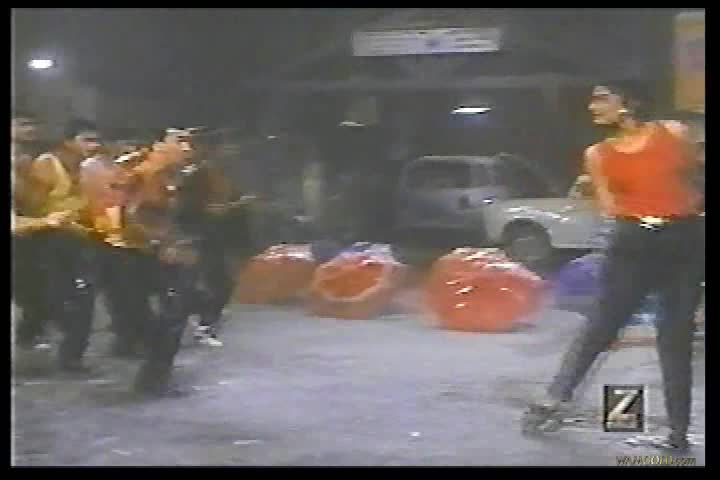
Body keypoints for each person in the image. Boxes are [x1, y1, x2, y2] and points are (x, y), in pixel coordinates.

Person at [522, 85, 705, 452]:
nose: (593, 106)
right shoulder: (597, 154)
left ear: (629, 102)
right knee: (602, 326)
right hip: (633, 243)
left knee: (675, 338)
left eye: (601, 98)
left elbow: (696, 177)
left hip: (685, 241)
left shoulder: (674, 133)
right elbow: (609, 206)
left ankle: (677, 435)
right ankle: (554, 399)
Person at [13, 119, 103, 373]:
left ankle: (71, 356)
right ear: (68, 141)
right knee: (57, 298)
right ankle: (36, 335)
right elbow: (30, 206)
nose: (93, 146)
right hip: (48, 240)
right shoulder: (47, 165)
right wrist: (50, 222)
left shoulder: (86, 167)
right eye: (87, 140)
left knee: (83, 298)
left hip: (78, 239)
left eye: (96, 140)